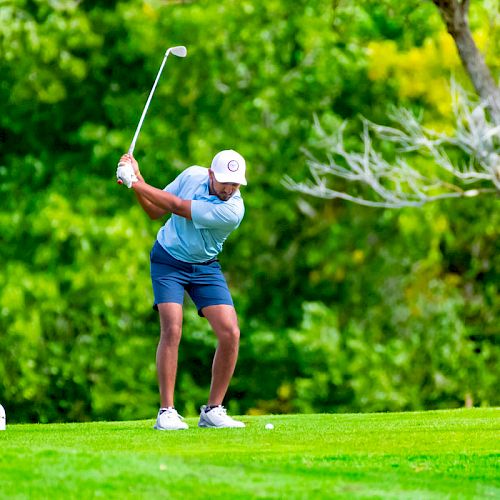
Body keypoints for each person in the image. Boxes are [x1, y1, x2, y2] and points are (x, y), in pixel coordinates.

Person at [116, 150, 247, 430]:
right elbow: (155, 211)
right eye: (224, 181)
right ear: (211, 174)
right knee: (172, 328)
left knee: (230, 332)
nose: (229, 188)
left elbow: (177, 206)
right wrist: (136, 178)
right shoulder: (191, 175)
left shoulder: (233, 210)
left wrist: (135, 182)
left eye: (235, 184)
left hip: (205, 267)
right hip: (168, 261)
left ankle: (213, 411)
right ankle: (166, 412)